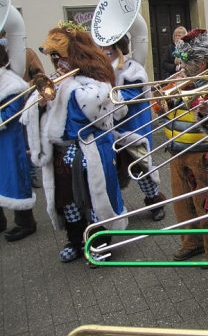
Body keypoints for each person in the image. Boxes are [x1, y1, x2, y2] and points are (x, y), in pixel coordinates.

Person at [21, 22, 127, 262]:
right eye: (55, 58)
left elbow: (97, 110)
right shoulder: (56, 80)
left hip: (89, 149)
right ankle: (75, 239)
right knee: (66, 200)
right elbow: (29, 114)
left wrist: (67, 86)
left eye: (62, 57)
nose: (58, 63)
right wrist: (40, 103)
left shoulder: (98, 80)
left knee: (93, 199)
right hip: (60, 152)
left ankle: (99, 243)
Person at [163, 29, 208, 264]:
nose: (182, 66)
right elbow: (163, 110)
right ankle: (190, 243)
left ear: (203, 63)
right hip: (175, 150)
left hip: (200, 152)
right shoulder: (181, 79)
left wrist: (189, 91)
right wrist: (165, 98)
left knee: (203, 203)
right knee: (181, 202)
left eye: (188, 62)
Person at [100, 36, 166, 221]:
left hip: (133, 130)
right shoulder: (104, 68)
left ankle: (155, 202)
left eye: (105, 47)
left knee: (141, 169)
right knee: (111, 171)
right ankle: (115, 208)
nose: (101, 51)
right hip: (111, 131)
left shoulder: (132, 69)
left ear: (116, 48)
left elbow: (126, 101)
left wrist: (107, 87)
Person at [0, 43, 37, 241]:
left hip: (11, 139)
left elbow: (11, 112)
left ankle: (26, 223)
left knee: (16, 177)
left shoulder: (12, 83)